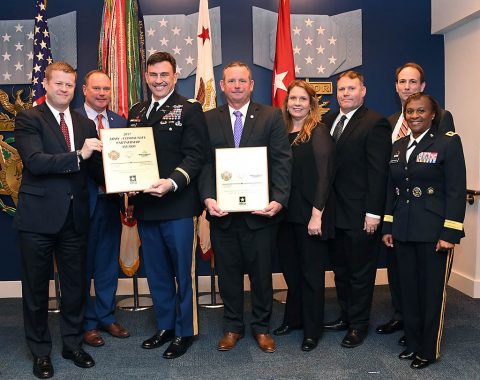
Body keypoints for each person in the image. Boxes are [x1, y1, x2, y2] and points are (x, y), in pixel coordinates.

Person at [13, 61, 103, 378]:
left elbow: (95, 171)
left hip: (75, 219)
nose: (64, 89)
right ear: (47, 84)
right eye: (59, 83)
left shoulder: (83, 123)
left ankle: (72, 344)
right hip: (38, 220)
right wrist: (80, 155)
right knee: (37, 291)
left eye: (69, 84)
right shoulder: (28, 118)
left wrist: (128, 181)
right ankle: (40, 352)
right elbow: (36, 162)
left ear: (75, 88)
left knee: (75, 288)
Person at [198, 61, 292, 353]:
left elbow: (281, 160)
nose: (237, 86)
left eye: (242, 81)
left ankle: (262, 328)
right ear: (222, 86)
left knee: (262, 275)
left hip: (260, 214)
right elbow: (204, 163)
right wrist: (208, 198)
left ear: (252, 85)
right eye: (231, 81)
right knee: (228, 275)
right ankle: (233, 327)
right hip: (223, 215)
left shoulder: (272, 116)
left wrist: (278, 199)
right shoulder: (208, 118)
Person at [127, 52, 208, 359]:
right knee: (157, 273)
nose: (158, 80)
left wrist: (172, 182)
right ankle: (165, 325)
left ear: (175, 77)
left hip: (178, 205)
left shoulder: (189, 109)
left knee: (183, 274)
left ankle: (185, 331)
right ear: (146, 78)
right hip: (147, 207)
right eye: (153, 75)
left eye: (164, 75)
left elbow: (196, 155)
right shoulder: (136, 111)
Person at [382, 92, 466, 369]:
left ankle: (429, 350)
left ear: (432, 115)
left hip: (433, 232)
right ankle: (413, 340)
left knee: (431, 294)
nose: (415, 116)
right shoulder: (398, 145)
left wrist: (450, 233)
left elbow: (455, 191)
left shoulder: (447, 143)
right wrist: (388, 225)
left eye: (421, 111)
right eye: (410, 111)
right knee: (409, 291)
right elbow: (391, 191)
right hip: (404, 230)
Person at [377, 62, 456, 346]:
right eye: (402, 82)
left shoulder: (442, 119)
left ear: (422, 87)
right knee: (401, 276)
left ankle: (424, 335)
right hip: (401, 218)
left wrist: (449, 229)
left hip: (429, 218)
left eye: (412, 82)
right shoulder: (389, 123)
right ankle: (405, 319)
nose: (407, 87)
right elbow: (391, 175)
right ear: (396, 86)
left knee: (427, 284)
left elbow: (449, 176)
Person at [322, 71, 391, 348]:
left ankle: (359, 325)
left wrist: (374, 213)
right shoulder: (327, 121)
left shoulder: (375, 124)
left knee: (360, 272)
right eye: (341, 89)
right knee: (340, 270)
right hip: (334, 214)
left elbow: (378, 173)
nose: (346, 93)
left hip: (362, 215)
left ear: (363, 91)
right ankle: (345, 315)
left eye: (351, 88)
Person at [272, 80, 335, 352]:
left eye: (302, 99)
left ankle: (312, 330)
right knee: (292, 273)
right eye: (292, 99)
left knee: (311, 275)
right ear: (286, 103)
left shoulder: (318, 133)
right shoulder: (280, 132)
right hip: (284, 215)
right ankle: (293, 319)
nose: (296, 103)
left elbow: (325, 177)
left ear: (311, 104)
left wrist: (317, 215)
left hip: (310, 214)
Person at [75, 70, 129, 347]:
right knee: (82, 266)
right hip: (81, 206)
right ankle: (86, 323)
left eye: (106, 89)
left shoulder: (120, 123)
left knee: (108, 265)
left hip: (110, 205)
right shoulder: (71, 121)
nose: (101, 93)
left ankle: (107, 316)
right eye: (96, 88)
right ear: (84, 89)